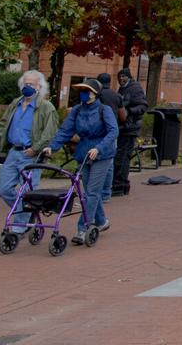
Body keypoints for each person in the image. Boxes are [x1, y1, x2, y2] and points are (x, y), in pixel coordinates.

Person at [45, 77, 118, 244]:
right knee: (90, 191)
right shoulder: (77, 110)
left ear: (95, 94)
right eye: (82, 91)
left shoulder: (104, 110)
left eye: (87, 91)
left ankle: (82, 228)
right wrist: (52, 147)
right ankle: (101, 221)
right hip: (83, 153)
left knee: (91, 192)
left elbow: (113, 132)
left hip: (102, 154)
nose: (83, 94)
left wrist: (98, 148)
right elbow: (65, 131)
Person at [0, 70, 59, 233]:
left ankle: (19, 227)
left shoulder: (46, 108)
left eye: (30, 84)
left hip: (31, 154)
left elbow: (50, 133)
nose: (27, 87)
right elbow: (4, 125)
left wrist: (35, 149)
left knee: (27, 192)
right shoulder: (15, 103)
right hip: (13, 152)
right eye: (25, 84)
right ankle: (28, 211)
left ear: (39, 86)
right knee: (3, 188)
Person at [112, 66, 147, 197]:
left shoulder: (135, 88)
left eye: (123, 76)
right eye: (119, 77)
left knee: (123, 156)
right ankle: (120, 184)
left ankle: (120, 185)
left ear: (129, 77)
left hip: (130, 129)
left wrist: (130, 112)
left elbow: (143, 105)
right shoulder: (122, 88)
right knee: (120, 156)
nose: (121, 79)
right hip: (123, 128)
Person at [96, 73, 124, 203]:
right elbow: (123, 116)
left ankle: (94, 192)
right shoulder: (117, 95)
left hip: (96, 132)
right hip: (112, 132)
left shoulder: (96, 95)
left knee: (95, 162)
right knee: (109, 163)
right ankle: (106, 193)